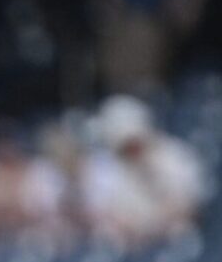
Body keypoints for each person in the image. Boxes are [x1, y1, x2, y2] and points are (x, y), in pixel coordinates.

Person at [81, 95, 206, 249]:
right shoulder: (110, 169)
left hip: (171, 234)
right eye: (126, 147)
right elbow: (109, 214)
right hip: (134, 244)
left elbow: (189, 204)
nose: (133, 150)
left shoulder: (174, 155)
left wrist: (157, 222)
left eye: (134, 144)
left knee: (182, 232)